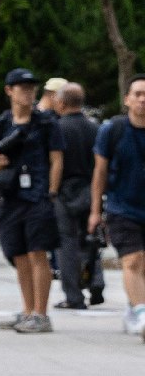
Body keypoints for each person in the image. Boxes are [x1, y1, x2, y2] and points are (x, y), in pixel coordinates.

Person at [0, 68, 64, 334]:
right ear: (9, 91)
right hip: (11, 197)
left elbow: (56, 159)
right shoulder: (2, 124)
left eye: (31, 88)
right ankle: (28, 309)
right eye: (22, 88)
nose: (28, 93)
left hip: (38, 195)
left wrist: (51, 192)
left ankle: (41, 314)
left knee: (38, 253)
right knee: (18, 254)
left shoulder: (46, 123)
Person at [91, 76, 145, 338]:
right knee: (133, 259)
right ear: (127, 99)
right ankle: (141, 312)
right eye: (137, 94)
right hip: (122, 208)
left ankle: (133, 306)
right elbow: (99, 173)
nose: (142, 99)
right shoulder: (112, 130)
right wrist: (94, 211)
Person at [53, 82, 105, 310]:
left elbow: (55, 162)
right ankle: (96, 282)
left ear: (62, 102)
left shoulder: (57, 128)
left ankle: (73, 295)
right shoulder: (96, 128)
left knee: (66, 243)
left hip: (65, 191)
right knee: (91, 240)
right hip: (90, 188)